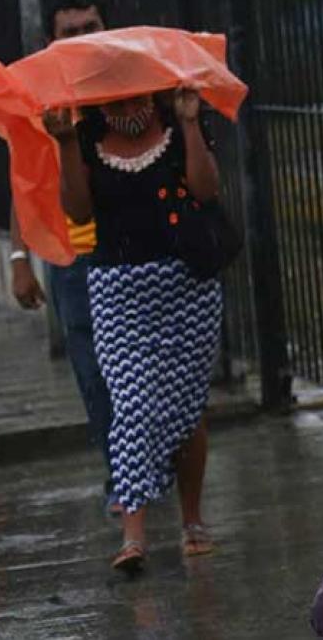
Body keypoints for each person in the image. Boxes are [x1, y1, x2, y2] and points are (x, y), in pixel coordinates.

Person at [45, 86, 222, 571]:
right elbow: (78, 212)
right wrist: (63, 143)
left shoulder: (179, 119)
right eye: (112, 99)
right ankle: (133, 534)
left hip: (187, 286)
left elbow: (206, 190)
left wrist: (188, 124)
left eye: (132, 97)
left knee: (187, 407)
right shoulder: (84, 136)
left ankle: (191, 520)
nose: (123, 108)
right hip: (117, 292)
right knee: (131, 404)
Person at [8, 0, 117, 512]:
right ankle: (122, 474)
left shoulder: (128, 82)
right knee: (94, 376)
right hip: (72, 261)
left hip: (131, 250)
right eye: (69, 31)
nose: (82, 38)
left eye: (89, 26)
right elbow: (24, 180)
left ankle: (141, 464)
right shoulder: (37, 97)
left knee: (138, 371)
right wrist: (18, 259)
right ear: (52, 41)